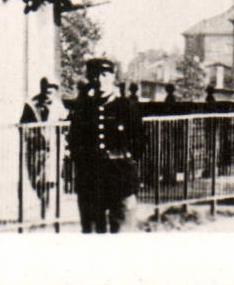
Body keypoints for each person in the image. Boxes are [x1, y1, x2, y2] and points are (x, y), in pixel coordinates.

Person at [68, 57, 143, 233]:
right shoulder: (83, 109)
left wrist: (129, 168)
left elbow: (139, 141)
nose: (100, 80)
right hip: (91, 180)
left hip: (120, 179)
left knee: (123, 230)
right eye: (94, 76)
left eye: (104, 75)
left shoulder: (126, 106)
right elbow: (74, 141)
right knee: (92, 233)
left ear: (112, 77)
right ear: (89, 78)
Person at [19, 78, 63, 219]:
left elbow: (66, 124)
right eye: (46, 89)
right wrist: (32, 136)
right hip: (35, 150)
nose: (49, 93)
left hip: (52, 151)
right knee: (36, 182)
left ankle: (46, 213)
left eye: (52, 90)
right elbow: (23, 126)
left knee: (48, 181)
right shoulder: (31, 105)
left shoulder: (58, 106)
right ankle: (45, 206)